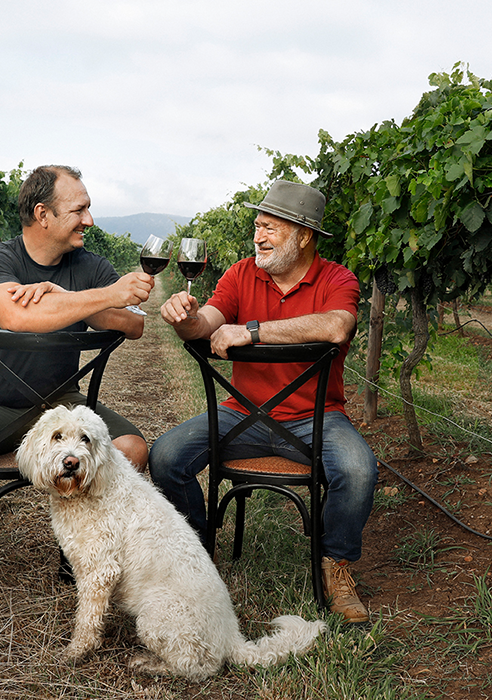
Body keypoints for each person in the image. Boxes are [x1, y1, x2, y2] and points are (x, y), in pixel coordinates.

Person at [0, 165, 153, 587]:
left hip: (62, 407)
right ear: (43, 215)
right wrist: (108, 297)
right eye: (79, 210)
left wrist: (67, 298)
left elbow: (133, 325)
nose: (89, 220)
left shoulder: (89, 267)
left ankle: (78, 550)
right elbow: (16, 315)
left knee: (130, 449)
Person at [149, 180, 378, 623]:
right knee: (166, 456)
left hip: (317, 419)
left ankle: (336, 566)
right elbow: (207, 324)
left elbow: (336, 326)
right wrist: (185, 317)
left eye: (270, 228)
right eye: (258, 226)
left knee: (357, 469)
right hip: (243, 417)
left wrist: (252, 331)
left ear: (304, 235)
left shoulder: (337, 278)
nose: (258, 236)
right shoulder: (239, 274)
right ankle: (196, 551)